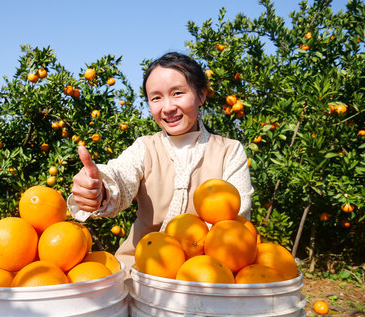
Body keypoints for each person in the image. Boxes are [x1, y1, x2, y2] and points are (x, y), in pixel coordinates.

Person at [68, 51, 253, 271]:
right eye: (156, 98)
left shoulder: (229, 151)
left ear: (201, 95)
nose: (167, 107)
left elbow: (235, 219)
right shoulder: (145, 148)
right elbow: (120, 175)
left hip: (207, 275)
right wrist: (100, 189)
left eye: (177, 93)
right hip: (141, 269)